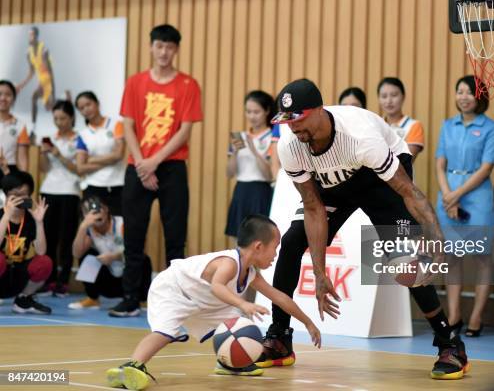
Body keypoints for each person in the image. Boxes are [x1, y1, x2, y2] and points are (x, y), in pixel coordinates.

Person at [259, 78, 470, 380]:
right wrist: (319, 273)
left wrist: (436, 240)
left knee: (405, 263)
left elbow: (409, 192)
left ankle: (450, 344)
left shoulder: (360, 136)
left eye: (299, 118)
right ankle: (279, 337)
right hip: (334, 183)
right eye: (287, 120)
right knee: (293, 241)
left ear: (319, 110)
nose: (293, 126)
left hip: (378, 178)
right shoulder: (292, 145)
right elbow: (313, 207)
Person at [105, 215, 321, 389]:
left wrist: (308, 322)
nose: (276, 253)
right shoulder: (229, 263)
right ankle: (132, 366)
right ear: (258, 246)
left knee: (235, 326)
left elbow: (279, 296)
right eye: (275, 247)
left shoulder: (251, 272)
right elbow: (218, 286)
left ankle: (228, 362)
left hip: (203, 301)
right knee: (165, 332)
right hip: (173, 291)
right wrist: (243, 304)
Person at [110, 24, 203, 317]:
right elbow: (127, 125)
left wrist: (154, 162)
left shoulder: (188, 85)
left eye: (170, 47)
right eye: (159, 46)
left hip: (172, 167)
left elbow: (184, 131)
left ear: (176, 50)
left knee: (175, 236)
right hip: (137, 166)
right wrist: (142, 164)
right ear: (151, 47)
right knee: (133, 235)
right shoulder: (135, 82)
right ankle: (130, 298)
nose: (164, 52)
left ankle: (176, 299)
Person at [435, 75, 494, 337]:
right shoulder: (447, 125)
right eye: (459, 91)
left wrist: (457, 193)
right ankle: (454, 315)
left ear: (479, 96)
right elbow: (440, 162)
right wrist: (448, 195)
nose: (463, 96)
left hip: (477, 197)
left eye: (469, 92)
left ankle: (476, 316)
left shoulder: (490, 127)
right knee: (452, 258)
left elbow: (487, 167)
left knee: (483, 259)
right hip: (448, 194)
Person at [69, 196, 152, 310]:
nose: (95, 214)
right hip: (109, 282)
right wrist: (83, 226)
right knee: (86, 256)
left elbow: (137, 250)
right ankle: (93, 299)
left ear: (106, 209)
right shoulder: (89, 230)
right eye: (88, 211)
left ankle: (142, 300)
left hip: (129, 279)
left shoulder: (122, 223)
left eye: (98, 208)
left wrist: (114, 257)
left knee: (143, 259)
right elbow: (76, 254)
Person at [38, 100, 80, 297]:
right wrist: (45, 154)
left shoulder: (79, 138)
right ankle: (49, 279)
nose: (59, 122)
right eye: (55, 118)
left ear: (71, 117)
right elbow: (44, 168)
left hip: (70, 191)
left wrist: (58, 153)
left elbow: (78, 169)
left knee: (67, 237)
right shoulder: (50, 137)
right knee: (49, 236)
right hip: (49, 189)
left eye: (62, 118)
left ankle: (63, 281)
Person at [225, 90, 276, 245]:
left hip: (261, 191)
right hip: (241, 190)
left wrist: (254, 151)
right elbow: (229, 173)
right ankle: (240, 269)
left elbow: (268, 175)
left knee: (260, 239)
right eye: (248, 111)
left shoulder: (272, 137)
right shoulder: (239, 137)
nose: (252, 116)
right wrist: (233, 153)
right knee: (238, 238)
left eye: (256, 112)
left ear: (267, 111)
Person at [0, 171, 52, 314]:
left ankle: (22, 300)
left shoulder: (31, 218)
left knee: (44, 262)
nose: (19, 199)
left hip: (17, 276)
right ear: (6, 195)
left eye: (24, 194)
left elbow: (41, 252)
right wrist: (6, 216)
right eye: (15, 195)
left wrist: (39, 223)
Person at [75, 91, 126, 215]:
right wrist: (111, 160)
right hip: (93, 187)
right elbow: (81, 168)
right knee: (93, 225)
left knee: (119, 224)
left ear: (97, 103)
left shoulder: (116, 124)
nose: (86, 109)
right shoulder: (83, 134)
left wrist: (91, 159)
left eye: (88, 104)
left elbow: (119, 155)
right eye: (82, 108)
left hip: (117, 184)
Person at [15, 27, 56, 127]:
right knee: (49, 107)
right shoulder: (28, 53)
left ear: (37, 36)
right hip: (41, 80)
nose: (30, 37)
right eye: (29, 35)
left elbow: (50, 72)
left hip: (47, 80)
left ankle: (33, 125)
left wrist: (53, 91)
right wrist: (21, 85)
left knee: (34, 97)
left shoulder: (44, 50)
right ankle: (34, 125)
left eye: (32, 34)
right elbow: (32, 72)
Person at [378, 77, 425, 161]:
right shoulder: (375, 125)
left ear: (403, 97)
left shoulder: (414, 126)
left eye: (394, 95)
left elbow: (406, 160)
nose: (389, 101)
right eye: (384, 96)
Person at [0, 80, 29, 182]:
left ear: (13, 99)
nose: (3, 98)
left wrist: (24, 182)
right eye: (0, 94)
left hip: (9, 171)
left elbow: (22, 158)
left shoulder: (20, 126)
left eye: (8, 95)